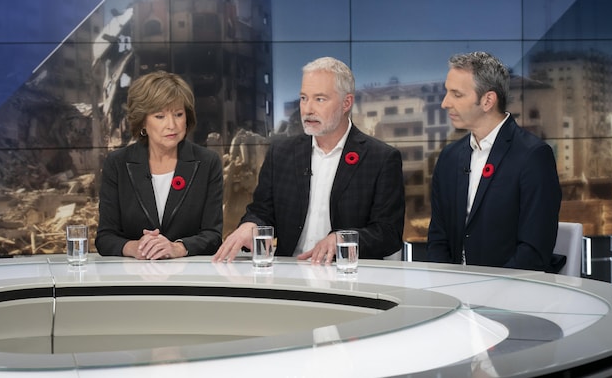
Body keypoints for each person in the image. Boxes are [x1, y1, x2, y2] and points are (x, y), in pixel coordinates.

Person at [213, 57, 405, 264]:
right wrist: (250, 226)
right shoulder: (281, 153)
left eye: (319, 99)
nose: (307, 109)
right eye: (304, 98)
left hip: (348, 275)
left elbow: (388, 234)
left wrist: (342, 240)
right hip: (289, 271)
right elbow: (262, 212)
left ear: (346, 103)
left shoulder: (380, 158)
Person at [427, 51, 563, 272]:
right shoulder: (449, 158)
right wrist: (448, 285)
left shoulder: (533, 156)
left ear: (488, 100)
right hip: (454, 292)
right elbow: (438, 239)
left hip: (510, 297)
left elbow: (533, 250)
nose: (445, 103)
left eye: (457, 94)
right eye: (446, 93)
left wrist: (487, 291)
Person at [96, 70, 223, 259]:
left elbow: (213, 236)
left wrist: (178, 248)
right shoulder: (118, 164)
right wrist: (135, 247)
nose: (172, 125)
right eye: (160, 116)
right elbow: (105, 238)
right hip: (134, 278)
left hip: (189, 278)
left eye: (178, 114)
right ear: (143, 122)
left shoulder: (207, 163)